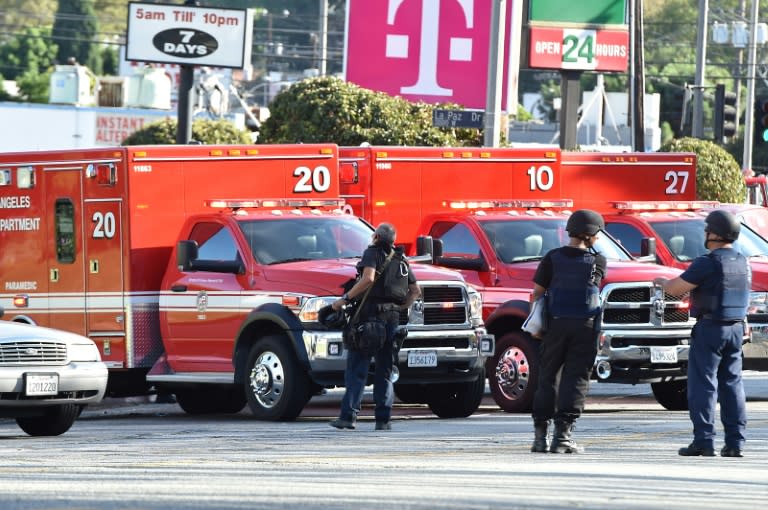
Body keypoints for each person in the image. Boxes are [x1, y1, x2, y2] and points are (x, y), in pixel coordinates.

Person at [653, 209, 749, 458]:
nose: (705, 234)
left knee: (703, 385)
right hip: (736, 328)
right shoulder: (742, 261)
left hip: (711, 330)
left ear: (715, 234)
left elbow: (675, 289)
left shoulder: (707, 262)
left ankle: (704, 441)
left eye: (707, 230)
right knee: (732, 385)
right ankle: (735, 443)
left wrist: (662, 282)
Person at [329, 223, 420, 431]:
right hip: (393, 320)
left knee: (357, 368)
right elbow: (415, 291)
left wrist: (344, 299)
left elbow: (368, 278)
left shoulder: (372, 253)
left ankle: (348, 416)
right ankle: (383, 420)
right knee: (385, 370)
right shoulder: (401, 259)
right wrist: (400, 307)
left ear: (377, 236)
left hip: (370, 319)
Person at [530, 209, 607, 454]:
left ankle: (540, 437)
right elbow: (592, 285)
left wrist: (537, 326)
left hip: (554, 324)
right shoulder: (598, 261)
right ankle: (562, 437)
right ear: (591, 233)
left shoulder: (552, 257)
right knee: (575, 379)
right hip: (584, 327)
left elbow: (537, 294)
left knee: (547, 377)